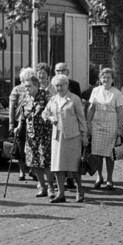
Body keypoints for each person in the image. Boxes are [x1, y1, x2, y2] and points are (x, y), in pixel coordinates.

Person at [44, 74, 88, 203]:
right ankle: (61, 193)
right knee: (58, 166)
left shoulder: (74, 99)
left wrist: (84, 135)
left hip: (73, 136)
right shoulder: (53, 99)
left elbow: (81, 118)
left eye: (61, 85)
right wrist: (50, 118)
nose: (59, 88)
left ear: (67, 85)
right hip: (57, 138)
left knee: (74, 166)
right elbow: (45, 113)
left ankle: (80, 191)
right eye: (56, 86)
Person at [14, 68, 53, 197]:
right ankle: (42, 187)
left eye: (29, 86)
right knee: (34, 163)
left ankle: (51, 187)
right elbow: (22, 115)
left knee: (45, 162)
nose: (26, 89)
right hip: (31, 135)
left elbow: (52, 112)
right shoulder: (26, 98)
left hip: (45, 135)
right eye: (25, 87)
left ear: (36, 85)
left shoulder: (46, 96)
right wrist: (19, 125)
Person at [86, 68, 123, 189]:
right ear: (100, 79)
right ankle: (99, 176)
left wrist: (120, 128)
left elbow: (120, 112)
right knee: (97, 153)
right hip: (97, 125)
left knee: (110, 155)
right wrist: (88, 124)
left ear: (112, 79)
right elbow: (91, 108)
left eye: (108, 77)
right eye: (103, 77)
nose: (106, 79)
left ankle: (109, 178)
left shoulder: (117, 93)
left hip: (111, 125)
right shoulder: (96, 91)